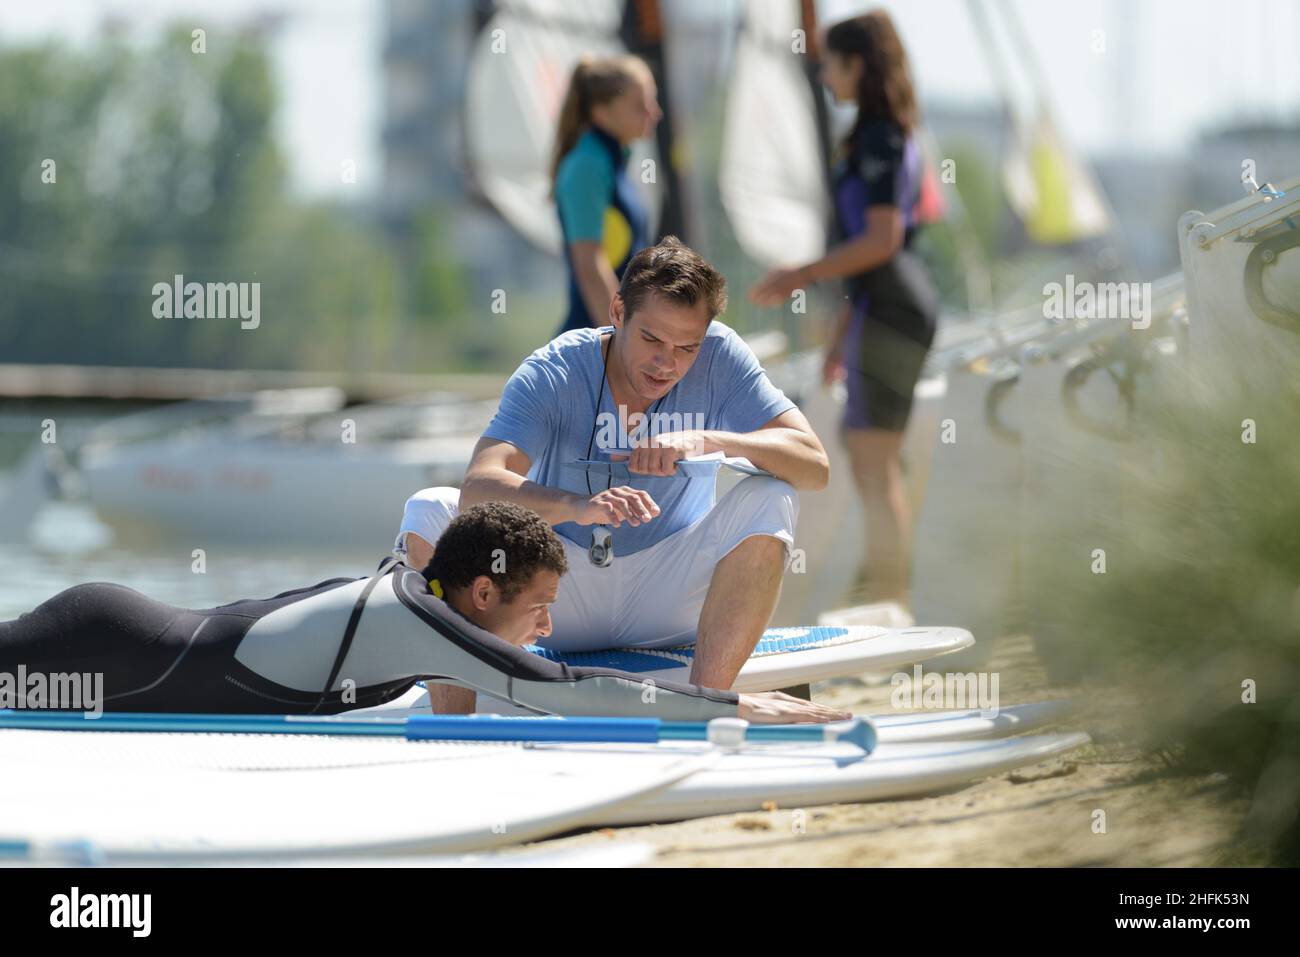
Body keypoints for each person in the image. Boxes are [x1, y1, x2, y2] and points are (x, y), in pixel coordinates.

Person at [396, 238, 831, 714]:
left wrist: (708, 439)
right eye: (651, 340)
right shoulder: (555, 370)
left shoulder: (724, 357)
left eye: (686, 347)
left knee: (772, 492)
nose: (666, 363)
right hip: (558, 592)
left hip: (668, 595)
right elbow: (479, 486)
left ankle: (705, 707)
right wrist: (577, 506)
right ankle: (457, 723)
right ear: (618, 311)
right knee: (430, 508)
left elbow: (814, 465)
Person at [0, 501, 846, 723]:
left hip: (119, 642)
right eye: (540, 605)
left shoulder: (423, 601)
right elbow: (567, 692)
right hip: (102, 651)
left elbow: (560, 677)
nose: (547, 626)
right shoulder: (419, 618)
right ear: (484, 593)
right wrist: (733, 707)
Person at [749, 10, 939, 606]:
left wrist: (799, 273)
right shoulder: (876, 131)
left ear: (856, 64)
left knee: (875, 468)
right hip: (879, 309)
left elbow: (881, 243)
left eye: (830, 61)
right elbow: (868, 258)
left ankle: (891, 600)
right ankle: (885, 595)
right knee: (870, 465)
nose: (824, 72)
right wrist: (837, 339)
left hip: (894, 310)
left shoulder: (881, 135)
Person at [551, 55, 660, 338]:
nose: (655, 113)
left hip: (614, 338)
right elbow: (589, 264)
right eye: (641, 105)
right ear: (601, 112)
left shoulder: (612, 161)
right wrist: (622, 341)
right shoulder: (587, 164)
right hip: (594, 343)